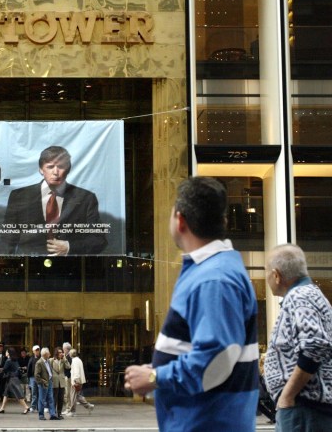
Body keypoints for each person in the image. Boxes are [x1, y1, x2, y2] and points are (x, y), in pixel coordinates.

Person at [123, 176, 259, 431]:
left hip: (206, 422)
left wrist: (155, 376)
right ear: (224, 221)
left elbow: (216, 359)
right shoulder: (213, 272)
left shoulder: (214, 280)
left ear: (180, 220)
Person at [264, 244, 332, 431]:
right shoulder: (310, 295)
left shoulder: (300, 297)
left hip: (303, 410)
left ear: (276, 275)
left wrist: (287, 395)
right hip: (306, 409)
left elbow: (315, 346)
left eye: (267, 272)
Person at [2, 145, 107, 255]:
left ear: (68, 169)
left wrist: (69, 247)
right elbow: (7, 236)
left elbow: (99, 239)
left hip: (71, 264)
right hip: (28, 263)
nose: (56, 172)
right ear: (41, 170)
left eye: (61, 167)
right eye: (50, 167)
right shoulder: (19, 196)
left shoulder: (86, 198)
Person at [0, 348, 30, 414]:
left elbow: (4, 370)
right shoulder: (15, 360)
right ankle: (2, 408)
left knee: (17, 394)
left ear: (9, 353)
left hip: (12, 380)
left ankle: (26, 407)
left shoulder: (8, 360)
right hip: (13, 379)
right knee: (6, 394)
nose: (5, 353)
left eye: (6, 352)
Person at [64, 349, 94, 416]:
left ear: (71, 354)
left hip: (76, 381)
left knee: (73, 396)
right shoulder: (78, 360)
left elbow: (76, 372)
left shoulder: (74, 361)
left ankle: (73, 411)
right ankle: (89, 406)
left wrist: (75, 381)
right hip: (79, 380)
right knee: (77, 396)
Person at [34, 347, 60, 421]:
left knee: (51, 399)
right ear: (45, 354)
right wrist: (43, 382)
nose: (50, 354)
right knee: (42, 400)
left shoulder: (48, 361)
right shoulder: (39, 363)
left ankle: (52, 414)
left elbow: (49, 371)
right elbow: (36, 375)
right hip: (43, 384)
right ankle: (41, 415)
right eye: (48, 353)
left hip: (49, 382)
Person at [51, 347, 67, 418]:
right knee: (54, 398)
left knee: (61, 398)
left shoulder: (63, 360)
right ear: (56, 353)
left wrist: (65, 359)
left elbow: (68, 367)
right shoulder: (51, 360)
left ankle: (59, 413)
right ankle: (53, 413)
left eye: (61, 352)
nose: (61, 354)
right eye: (59, 352)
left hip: (62, 382)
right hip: (54, 381)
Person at [28, 345, 41, 409]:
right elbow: (29, 369)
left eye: (38, 350)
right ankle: (33, 406)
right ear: (33, 351)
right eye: (36, 350)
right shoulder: (31, 359)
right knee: (34, 393)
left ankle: (39, 406)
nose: (37, 351)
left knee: (40, 392)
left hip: (40, 377)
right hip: (33, 377)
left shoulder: (41, 358)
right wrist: (29, 378)